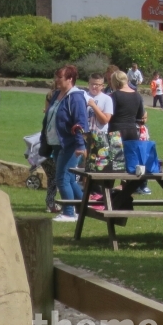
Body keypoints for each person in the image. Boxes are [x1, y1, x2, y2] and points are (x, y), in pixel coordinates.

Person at [47, 65, 89, 223]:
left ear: (70, 79)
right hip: (56, 143)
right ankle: (83, 208)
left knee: (62, 178)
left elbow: (80, 123)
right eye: (56, 77)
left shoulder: (76, 97)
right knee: (70, 179)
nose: (56, 80)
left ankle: (68, 212)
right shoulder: (57, 94)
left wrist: (80, 145)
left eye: (60, 77)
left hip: (70, 144)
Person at [38, 74, 63, 214]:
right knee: (57, 177)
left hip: (48, 140)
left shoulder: (50, 95)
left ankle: (51, 203)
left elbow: (47, 113)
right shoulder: (56, 95)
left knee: (53, 177)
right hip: (54, 142)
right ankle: (55, 204)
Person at [109, 71, 145, 141]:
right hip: (132, 130)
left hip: (116, 130)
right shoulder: (137, 95)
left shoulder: (114, 95)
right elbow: (140, 116)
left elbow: (109, 114)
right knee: (131, 152)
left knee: (116, 152)